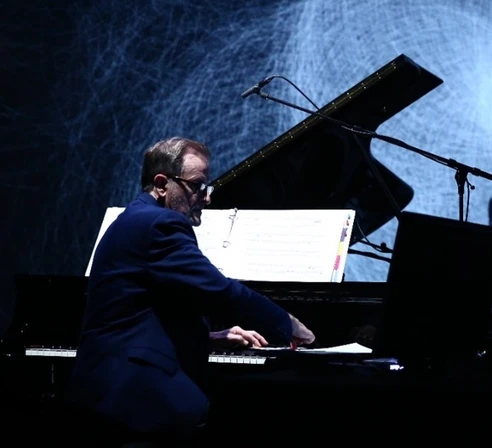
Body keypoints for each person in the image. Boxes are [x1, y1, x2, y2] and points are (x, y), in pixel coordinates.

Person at [68, 137, 315, 443]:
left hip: (106, 385)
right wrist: (288, 324)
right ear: (161, 184)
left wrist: (207, 337)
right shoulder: (161, 224)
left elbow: (139, 314)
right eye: (198, 185)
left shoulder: (134, 218)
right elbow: (220, 291)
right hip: (132, 394)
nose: (206, 198)